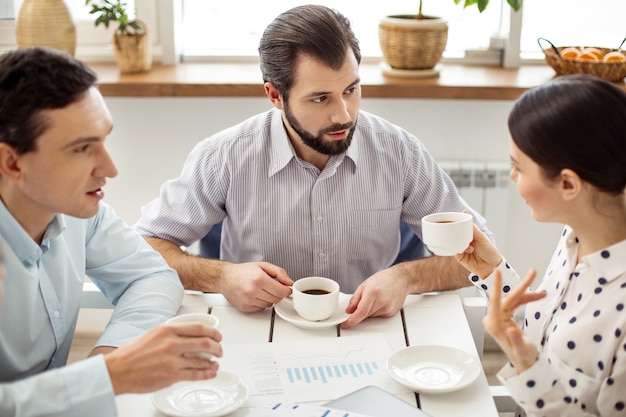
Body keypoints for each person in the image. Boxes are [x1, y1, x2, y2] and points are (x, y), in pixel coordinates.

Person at [135, 5, 493, 329]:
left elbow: (480, 253)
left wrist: (406, 278)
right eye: (320, 98)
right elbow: (146, 246)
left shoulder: (398, 153)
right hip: (258, 332)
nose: (344, 114)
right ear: (275, 95)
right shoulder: (224, 157)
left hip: (369, 331)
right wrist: (220, 277)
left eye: (351, 90)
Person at [0, 47, 223, 417]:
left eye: (103, 139)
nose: (110, 168)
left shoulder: (78, 213)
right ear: (11, 162)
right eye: (81, 149)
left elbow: (154, 275)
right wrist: (108, 377)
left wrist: (110, 356)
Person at [455, 74, 626, 417]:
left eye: (518, 166)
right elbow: (548, 334)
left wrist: (523, 360)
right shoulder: (575, 235)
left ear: (567, 183)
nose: (512, 176)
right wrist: (491, 270)